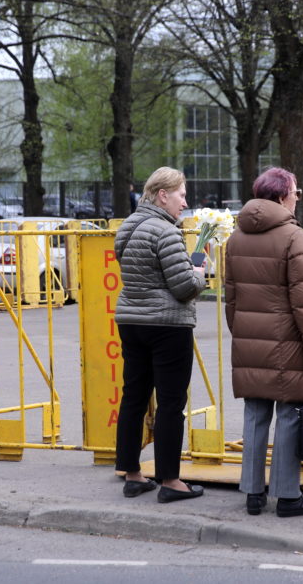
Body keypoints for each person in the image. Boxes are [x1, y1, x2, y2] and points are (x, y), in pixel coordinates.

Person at [225, 167, 303, 518]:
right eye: (296, 192)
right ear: (283, 195)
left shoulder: (236, 237)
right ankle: (287, 496)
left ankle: (253, 493)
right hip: (287, 342)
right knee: (288, 414)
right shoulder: (293, 236)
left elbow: (231, 298)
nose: (298, 198)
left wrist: (243, 333)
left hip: (249, 340)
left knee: (255, 415)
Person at [113, 166, 208, 503]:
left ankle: (131, 474)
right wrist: (200, 271)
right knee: (170, 403)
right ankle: (170, 480)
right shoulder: (166, 231)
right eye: (181, 195)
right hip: (167, 326)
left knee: (134, 398)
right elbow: (184, 288)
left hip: (131, 320)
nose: (185, 202)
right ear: (162, 195)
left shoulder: (127, 227)